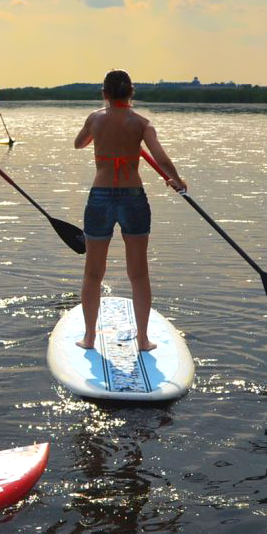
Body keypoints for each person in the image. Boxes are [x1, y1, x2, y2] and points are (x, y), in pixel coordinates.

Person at [73, 69, 186, 351]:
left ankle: (88, 338)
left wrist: (99, 131)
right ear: (132, 93)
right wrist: (178, 180)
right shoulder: (142, 124)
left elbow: (78, 143)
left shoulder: (95, 119)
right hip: (133, 198)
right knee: (139, 274)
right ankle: (143, 339)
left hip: (100, 197)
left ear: (105, 94)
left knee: (92, 273)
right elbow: (161, 157)